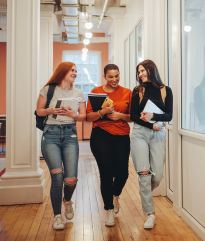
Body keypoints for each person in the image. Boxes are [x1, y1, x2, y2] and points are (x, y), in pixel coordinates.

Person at [36, 62, 87, 230]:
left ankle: (67, 201)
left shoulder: (78, 93)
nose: (75, 73)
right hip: (50, 134)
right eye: (72, 70)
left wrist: (74, 115)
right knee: (57, 177)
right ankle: (57, 216)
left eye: (76, 71)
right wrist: (51, 110)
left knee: (70, 179)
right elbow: (39, 111)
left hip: (70, 134)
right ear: (63, 71)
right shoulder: (49, 89)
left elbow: (83, 117)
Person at [86, 64, 133, 227]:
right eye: (111, 76)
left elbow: (132, 116)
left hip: (122, 136)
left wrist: (120, 115)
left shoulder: (127, 92)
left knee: (123, 173)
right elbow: (89, 117)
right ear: (104, 76)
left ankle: (115, 195)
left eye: (117, 76)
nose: (114, 79)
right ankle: (109, 210)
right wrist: (102, 112)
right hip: (101, 135)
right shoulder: (96, 92)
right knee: (106, 174)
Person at [130, 60, 173, 230]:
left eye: (143, 71)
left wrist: (153, 115)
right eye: (138, 72)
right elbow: (133, 115)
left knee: (158, 175)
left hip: (158, 133)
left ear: (151, 70)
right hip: (140, 132)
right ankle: (150, 214)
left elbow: (169, 115)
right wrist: (150, 123)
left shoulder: (165, 91)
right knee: (144, 173)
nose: (140, 74)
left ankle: (144, 187)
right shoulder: (137, 90)